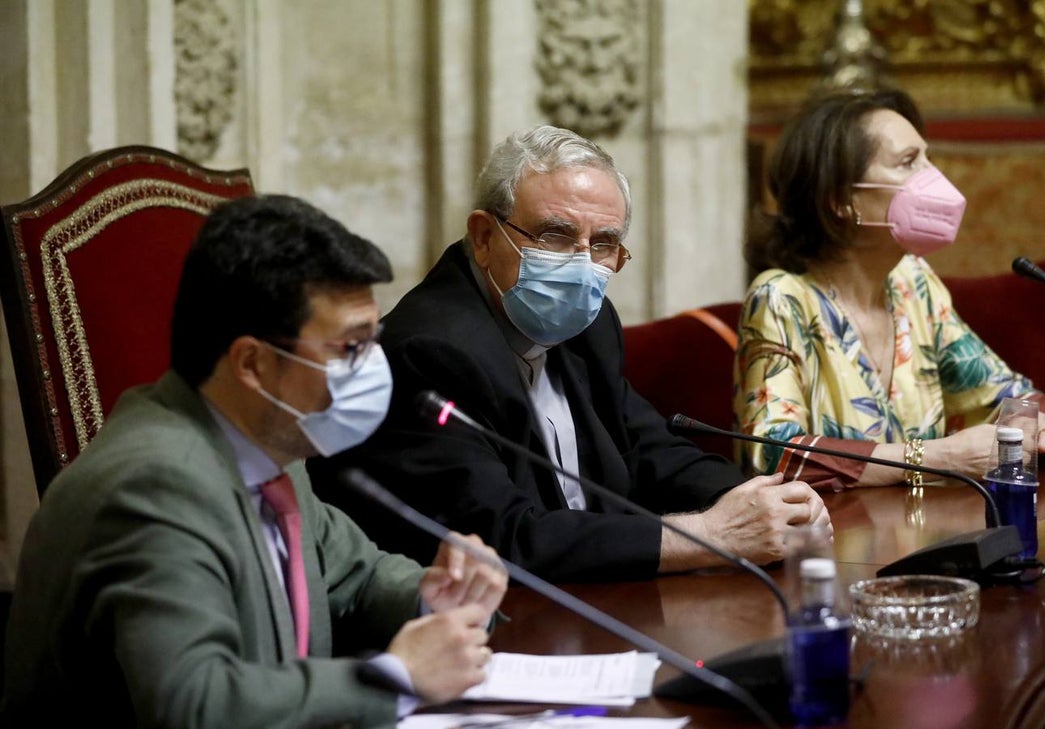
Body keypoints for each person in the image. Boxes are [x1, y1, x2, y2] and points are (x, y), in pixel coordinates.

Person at [0, 195, 508, 728]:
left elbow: (356, 579)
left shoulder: (272, 447)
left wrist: (437, 598)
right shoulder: (155, 484)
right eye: (349, 348)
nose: (372, 368)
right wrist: (394, 677)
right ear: (253, 363)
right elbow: (195, 702)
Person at [309, 125, 831, 583]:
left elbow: (651, 450)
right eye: (556, 235)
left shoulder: (589, 322)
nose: (582, 265)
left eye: (603, 242)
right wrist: (707, 535)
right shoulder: (430, 351)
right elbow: (504, 540)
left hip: (598, 600)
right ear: (484, 236)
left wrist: (770, 502)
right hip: (495, 629)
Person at [735, 89, 1045, 490]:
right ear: (842, 201)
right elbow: (774, 456)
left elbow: (1008, 395)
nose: (934, 178)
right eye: (908, 162)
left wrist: (1029, 424)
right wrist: (937, 458)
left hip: (933, 535)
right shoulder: (780, 298)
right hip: (832, 544)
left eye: (927, 158)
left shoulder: (913, 284)